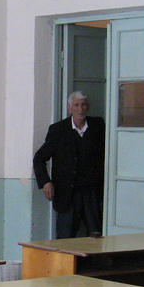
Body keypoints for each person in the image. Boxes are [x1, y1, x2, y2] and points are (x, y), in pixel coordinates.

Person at [33, 90, 105, 238]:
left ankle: (96, 262)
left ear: (88, 106)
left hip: (91, 192)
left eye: (83, 105)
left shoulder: (98, 126)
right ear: (69, 108)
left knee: (96, 234)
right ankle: (65, 262)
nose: (81, 109)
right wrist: (46, 182)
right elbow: (39, 158)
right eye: (76, 105)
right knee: (66, 235)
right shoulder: (58, 130)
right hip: (67, 193)